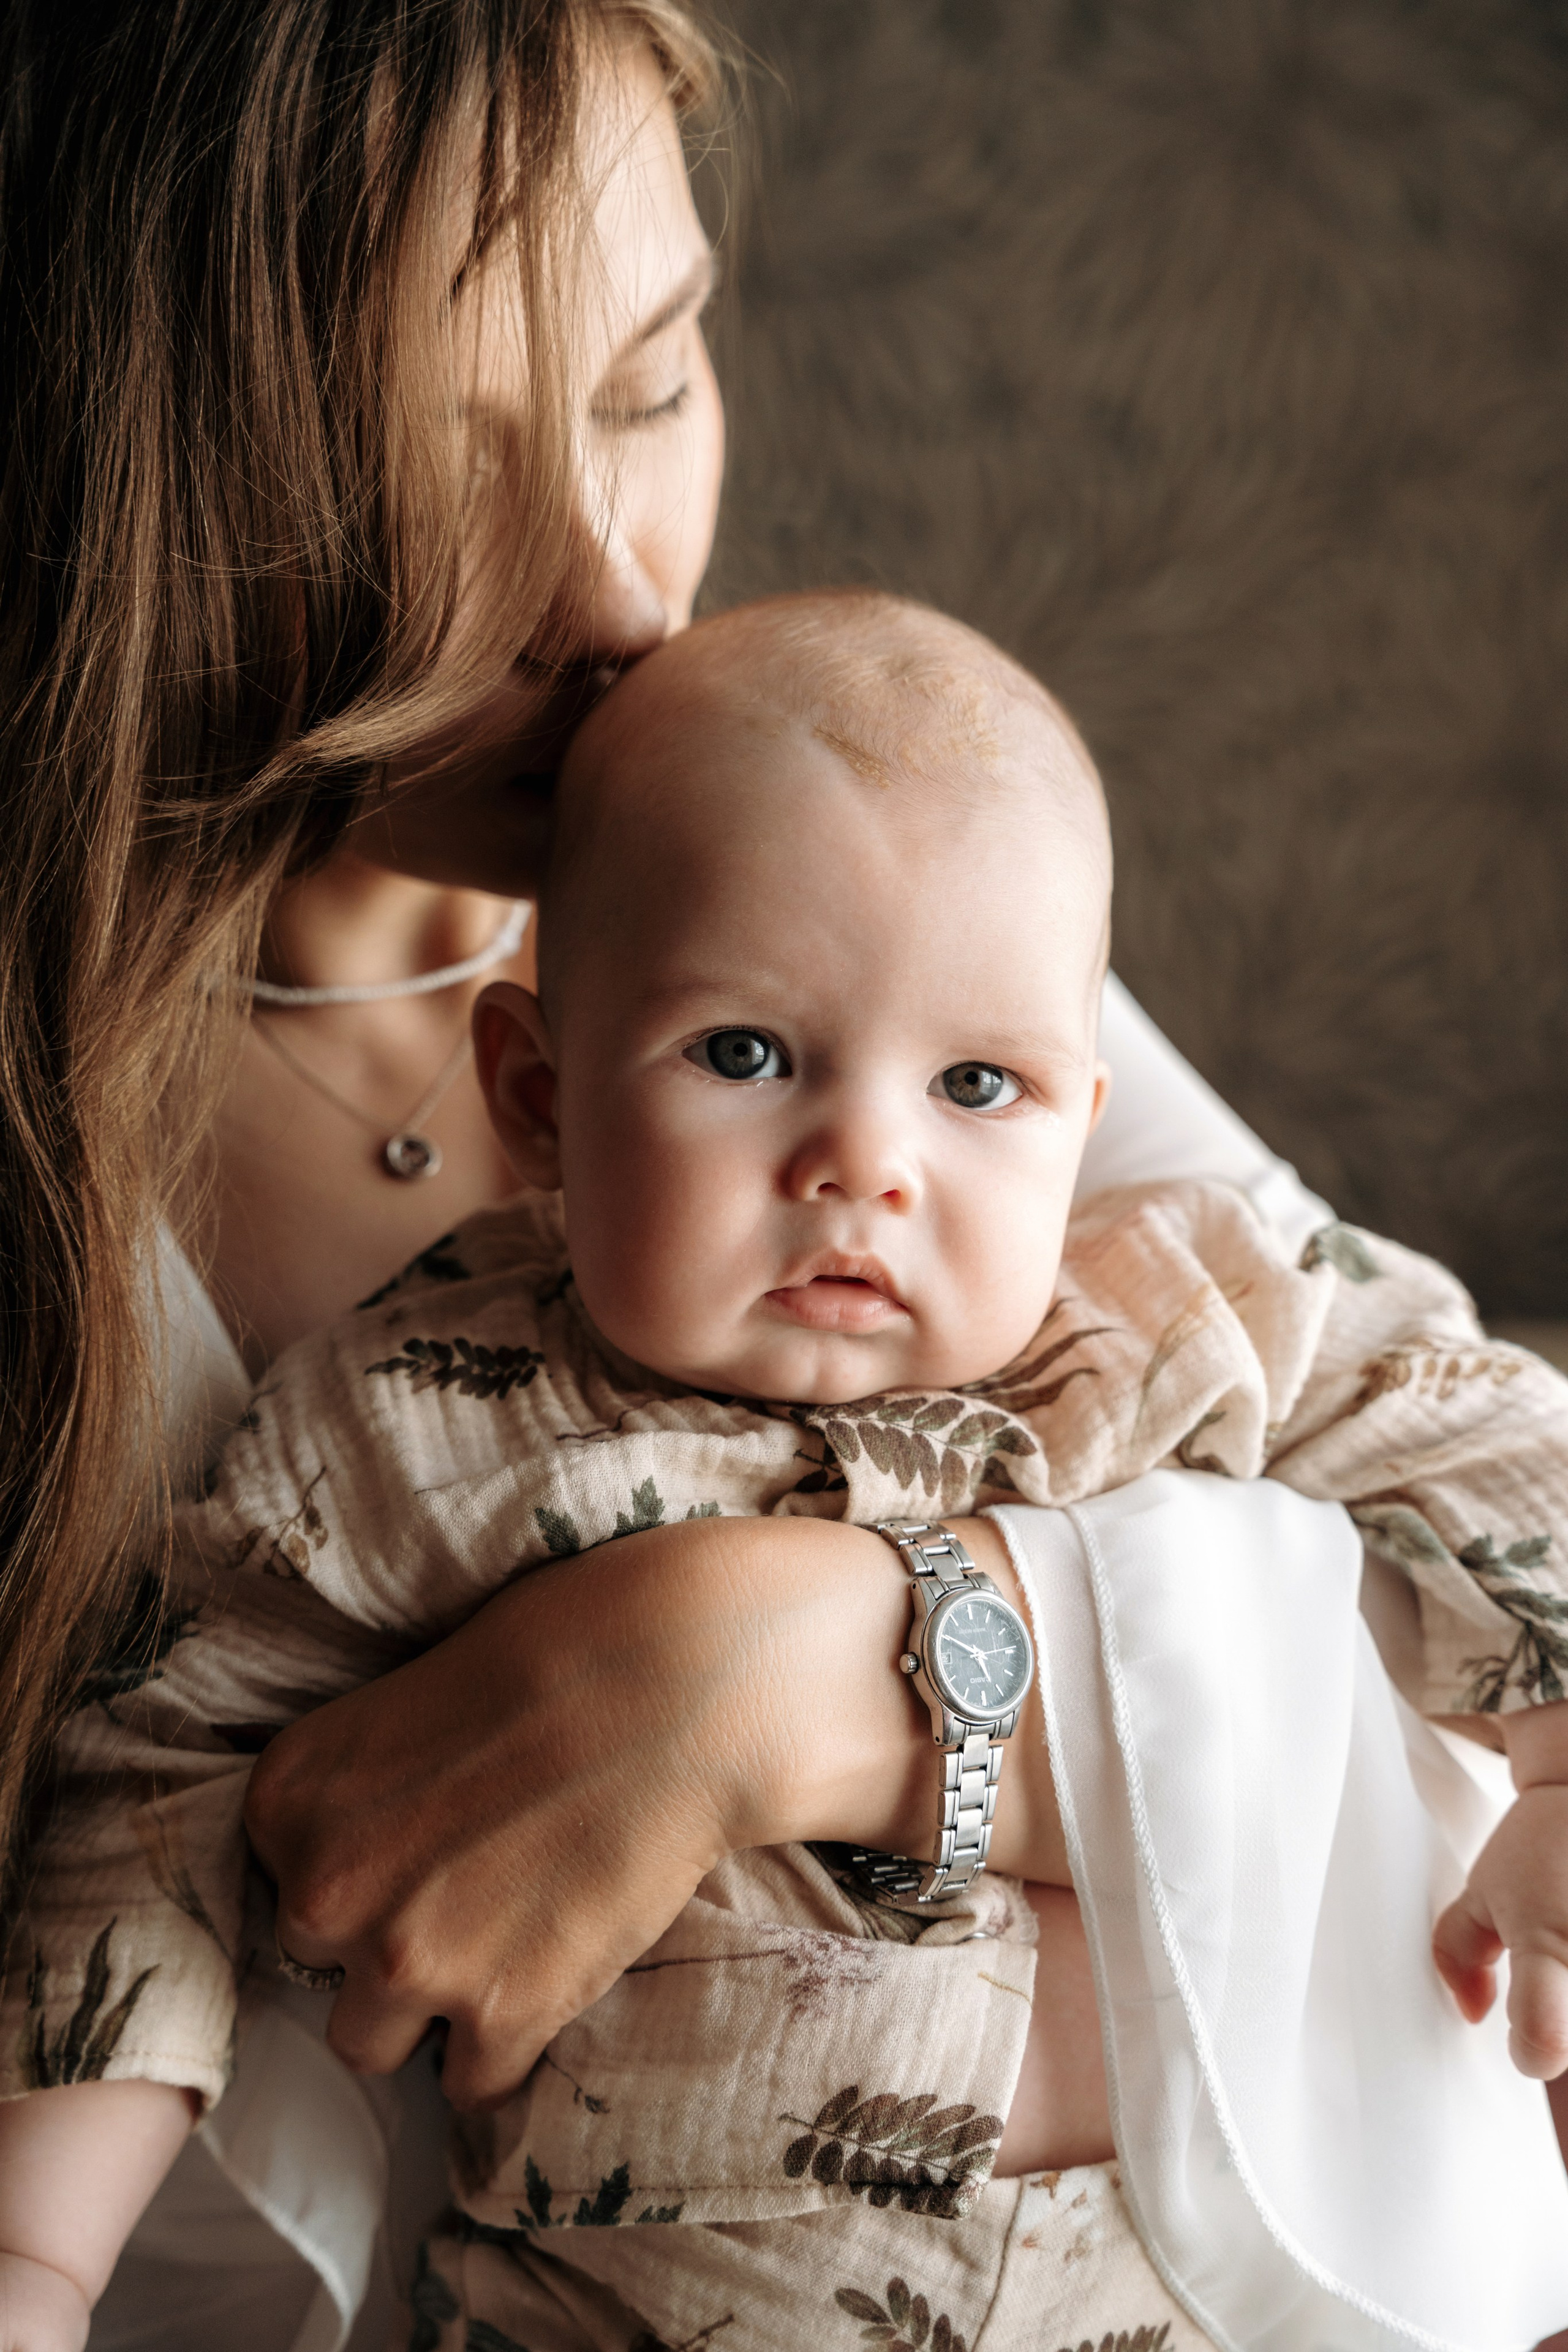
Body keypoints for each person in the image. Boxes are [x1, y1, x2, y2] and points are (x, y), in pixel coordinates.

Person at [0, 6, 1557, 2351]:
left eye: (647, 388)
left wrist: (766, 1672)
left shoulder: (871, 907)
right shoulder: (127, 1247)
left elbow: (1425, 1596)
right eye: (429, 492)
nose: (619, 595)